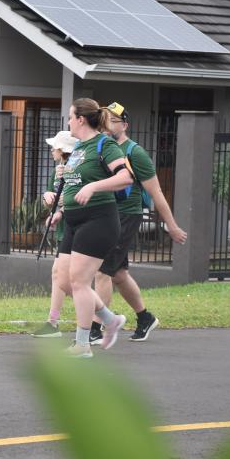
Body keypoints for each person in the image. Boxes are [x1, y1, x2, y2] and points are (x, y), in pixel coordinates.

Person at [88, 102, 188, 344]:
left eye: (113, 119)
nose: (107, 123)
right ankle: (145, 318)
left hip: (126, 215)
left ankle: (95, 328)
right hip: (107, 214)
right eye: (105, 118)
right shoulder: (103, 148)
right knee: (119, 274)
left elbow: (157, 193)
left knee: (102, 271)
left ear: (125, 125)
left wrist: (172, 226)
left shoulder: (135, 153)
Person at [51, 98, 134, 358]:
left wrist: (93, 186)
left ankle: (83, 344)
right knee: (65, 281)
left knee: (79, 281)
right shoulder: (78, 148)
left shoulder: (104, 144)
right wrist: (60, 211)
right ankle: (110, 320)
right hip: (74, 220)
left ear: (81, 119)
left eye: (70, 116)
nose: (67, 121)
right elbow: (75, 184)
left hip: (99, 220)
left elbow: (125, 177)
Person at [32, 130, 77, 338]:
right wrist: (47, 197)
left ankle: (101, 318)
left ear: (64, 150)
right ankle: (53, 322)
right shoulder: (56, 170)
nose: (52, 150)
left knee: (71, 278)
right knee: (60, 276)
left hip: (79, 228)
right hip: (64, 230)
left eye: (55, 147)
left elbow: (75, 197)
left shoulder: (76, 169)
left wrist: (60, 208)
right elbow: (51, 197)